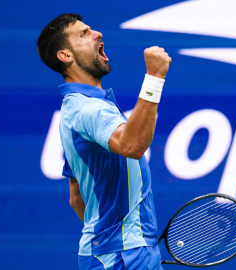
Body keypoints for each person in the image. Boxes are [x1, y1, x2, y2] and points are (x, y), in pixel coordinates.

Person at [37, 13, 171, 270]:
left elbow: (76, 198)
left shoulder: (76, 109)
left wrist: (109, 236)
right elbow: (132, 146)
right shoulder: (88, 110)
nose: (97, 34)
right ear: (66, 56)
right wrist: (154, 77)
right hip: (123, 256)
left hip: (117, 252)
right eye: (84, 34)